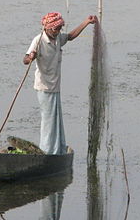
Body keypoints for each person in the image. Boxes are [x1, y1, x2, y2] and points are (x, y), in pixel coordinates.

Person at [24, 12, 98, 155]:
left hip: (55, 86)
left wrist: (86, 22)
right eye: (55, 29)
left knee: (56, 120)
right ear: (47, 28)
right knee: (48, 121)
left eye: (59, 29)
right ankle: (47, 152)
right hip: (44, 87)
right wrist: (31, 57)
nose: (58, 32)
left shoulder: (57, 39)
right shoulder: (38, 41)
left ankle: (57, 149)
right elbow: (25, 59)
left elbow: (70, 37)